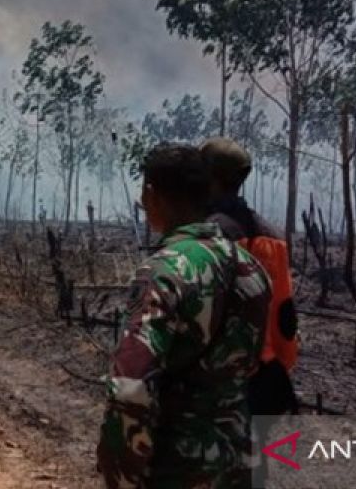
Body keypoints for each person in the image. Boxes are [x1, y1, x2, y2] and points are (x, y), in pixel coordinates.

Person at [98, 143, 270, 489]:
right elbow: (250, 365)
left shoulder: (165, 271)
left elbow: (132, 386)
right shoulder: (251, 268)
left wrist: (120, 474)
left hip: (177, 466)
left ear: (151, 193)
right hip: (237, 458)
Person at [201, 137, 299, 415]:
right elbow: (284, 313)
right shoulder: (273, 236)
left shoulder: (205, 233)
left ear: (207, 176)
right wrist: (282, 364)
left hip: (216, 378)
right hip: (265, 375)